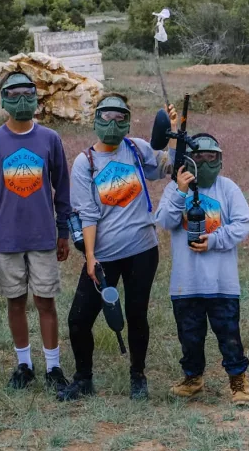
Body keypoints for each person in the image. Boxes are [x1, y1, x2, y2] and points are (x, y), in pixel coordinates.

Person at [60, 94, 177, 401]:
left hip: (142, 250)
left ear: (128, 120)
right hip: (104, 255)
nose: (113, 123)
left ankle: (138, 376)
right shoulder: (84, 162)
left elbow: (167, 167)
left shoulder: (137, 148)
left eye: (120, 117)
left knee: (137, 314)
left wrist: (173, 131)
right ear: (96, 119)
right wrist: (90, 257)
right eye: (106, 116)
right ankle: (83, 378)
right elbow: (87, 213)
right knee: (79, 319)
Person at [0, 71, 72, 392]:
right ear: (4, 100)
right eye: (15, 94)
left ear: (36, 98)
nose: (23, 100)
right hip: (6, 239)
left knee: (46, 301)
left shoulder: (50, 139)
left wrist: (63, 229)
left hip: (43, 238)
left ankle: (53, 368)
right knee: (15, 302)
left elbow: (62, 187)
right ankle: (24, 364)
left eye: (29, 93)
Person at [154, 134, 249, 406]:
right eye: (199, 158)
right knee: (190, 337)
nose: (206, 163)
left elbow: (245, 223)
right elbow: (164, 220)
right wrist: (180, 192)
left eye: (212, 158)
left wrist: (215, 240)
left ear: (220, 160)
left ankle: (238, 381)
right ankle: (193, 378)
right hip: (186, 283)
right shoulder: (176, 189)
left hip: (222, 283)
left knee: (229, 335)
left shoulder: (228, 188)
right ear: (188, 161)